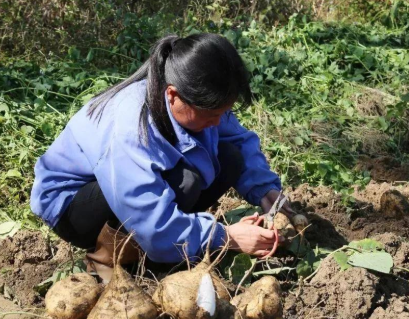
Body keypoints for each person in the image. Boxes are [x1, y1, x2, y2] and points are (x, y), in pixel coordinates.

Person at [30, 33, 300, 282]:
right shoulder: (130, 126)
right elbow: (147, 215)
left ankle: (172, 244)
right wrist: (225, 237)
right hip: (72, 207)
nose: (218, 122)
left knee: (230, 156)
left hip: (127, 192)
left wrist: (265, 190)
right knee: (185, 181)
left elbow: (238, 140)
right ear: (173, 96)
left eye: (222, 113)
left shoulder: (194, 95)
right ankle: (108, 259)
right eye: (211, 115)